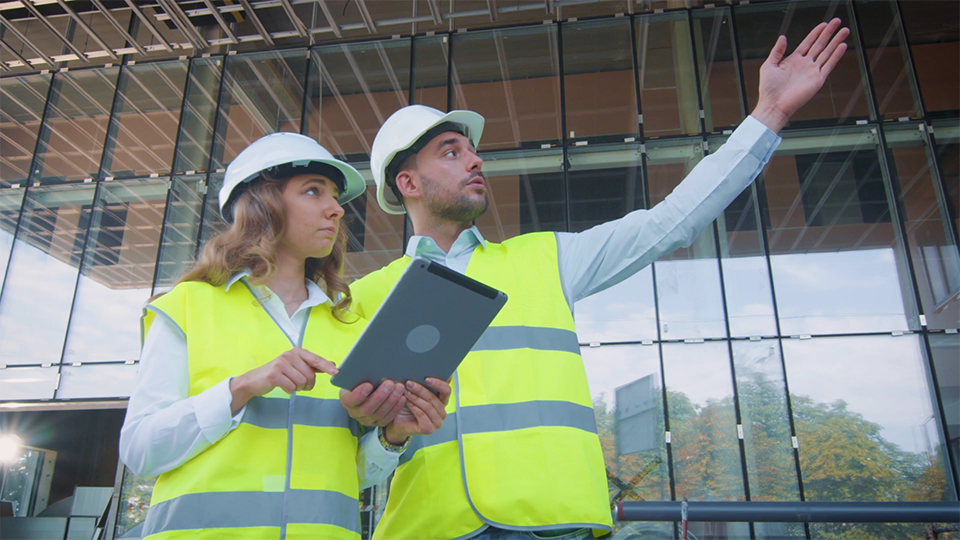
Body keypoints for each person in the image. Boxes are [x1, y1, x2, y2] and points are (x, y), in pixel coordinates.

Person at [340, 18, 851, 540]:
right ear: (408, 183)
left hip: (553, 525)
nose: (475, 160)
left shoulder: (547, 258)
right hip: (428, 529)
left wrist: (769, 114)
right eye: (451, 152)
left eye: (471, 150)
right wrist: (389, 440)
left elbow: (670, 221)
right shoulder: (361, 300)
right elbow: (350, 472)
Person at [119, 133, 451, 540]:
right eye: (313, 192)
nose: (335, 210)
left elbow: (349, 475)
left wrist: (393, 435)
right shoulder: (188, 306)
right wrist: (242, 387)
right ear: (262, 204)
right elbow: (140, 451)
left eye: (334, 197)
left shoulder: (349, 325)